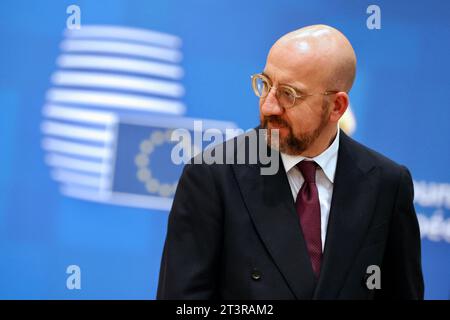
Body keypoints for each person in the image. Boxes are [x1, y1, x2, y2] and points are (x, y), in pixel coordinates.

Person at [157, 25, 424, 299]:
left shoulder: (386, 184)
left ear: (337, 107)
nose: (268, 106)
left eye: (289, 94)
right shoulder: (213, 176)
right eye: (265, 84)